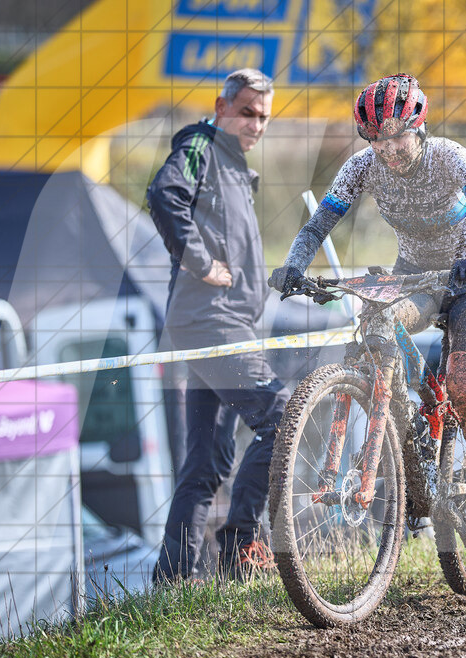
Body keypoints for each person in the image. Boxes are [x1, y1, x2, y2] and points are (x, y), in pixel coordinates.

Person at [270, 73, 466, 549]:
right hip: (416, 276)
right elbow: (321, 221)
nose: (387, 149)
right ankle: (413, 465)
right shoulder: (363, 166)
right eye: (376, 138)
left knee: (463, 388)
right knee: (378, 331)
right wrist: (294, 265)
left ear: (418, 127)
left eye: (396, 135)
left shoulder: (450, 157)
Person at [147, 68, 289, 582]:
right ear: (222, 106)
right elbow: (164, 194)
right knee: (281, 417)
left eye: (264, 117)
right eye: (248, 112)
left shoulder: (233, 164)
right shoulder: (201, 146)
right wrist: (201, 263)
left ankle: (173, 583)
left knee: (207, 463)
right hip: (210, 321)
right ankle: (242, 543)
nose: (256, 124)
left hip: (224, 324)